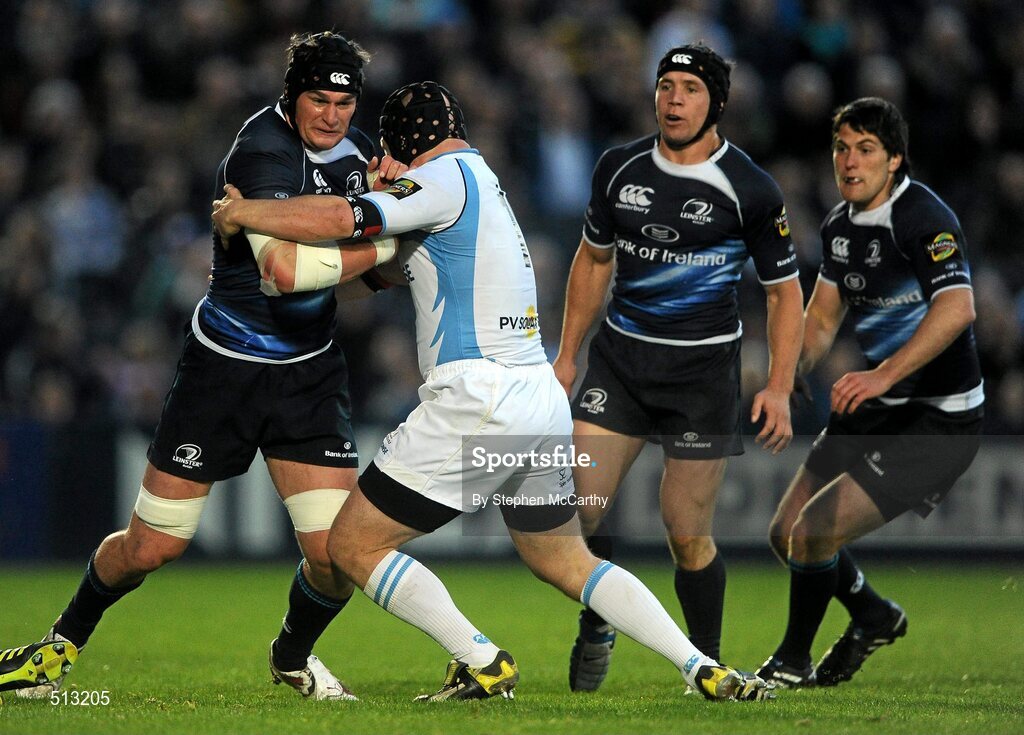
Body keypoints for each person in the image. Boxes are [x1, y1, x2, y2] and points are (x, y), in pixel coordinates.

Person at [211, 80, 774, 703]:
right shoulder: (475, 177)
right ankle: (701, 666)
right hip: (535, 396)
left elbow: (345, 219)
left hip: (479, 396)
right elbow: (376, 273)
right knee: (565, 559)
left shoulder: (437, 181)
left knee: (350, 545)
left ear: (401, 141)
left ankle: (481, 659)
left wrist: (243, 213)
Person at [3, 30, 404, 702]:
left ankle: (291, 656)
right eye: (319, 99)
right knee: (151, 546)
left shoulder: (360, 154)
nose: (333, 115)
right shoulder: (260, 150)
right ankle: (59, 645)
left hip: (308, 372)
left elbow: (366, 278)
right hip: (226, 370)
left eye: (344, 101)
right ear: (291, 95)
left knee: (335, 556)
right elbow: (283, 273)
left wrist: (385, 255)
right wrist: (387, 243)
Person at [551, 43, 804, 691]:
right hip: (621, 365)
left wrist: (778, 386)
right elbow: (592, 261)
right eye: (666, 85)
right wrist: (567, 354)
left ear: (714, 103)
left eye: (690, 88)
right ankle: (599, 620)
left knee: (686, 533)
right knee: (582, 509)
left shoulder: (749, 187)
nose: (674, 99)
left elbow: (784, 294)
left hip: (700, 377)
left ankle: (705, 665)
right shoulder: (618, 168)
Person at [755, 97, 984, 687]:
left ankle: (793, 661)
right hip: (877, 408)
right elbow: (823, 320)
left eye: (865, 150)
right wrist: (782, 381)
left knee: (813, 532)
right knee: (787, 536)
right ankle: (873, 615)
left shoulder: (923, 219)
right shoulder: (840, 226)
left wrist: (882, 374)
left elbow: (958, 308)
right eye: (841, 148)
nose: (849, 162)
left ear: (895, 159)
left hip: (938, 421)